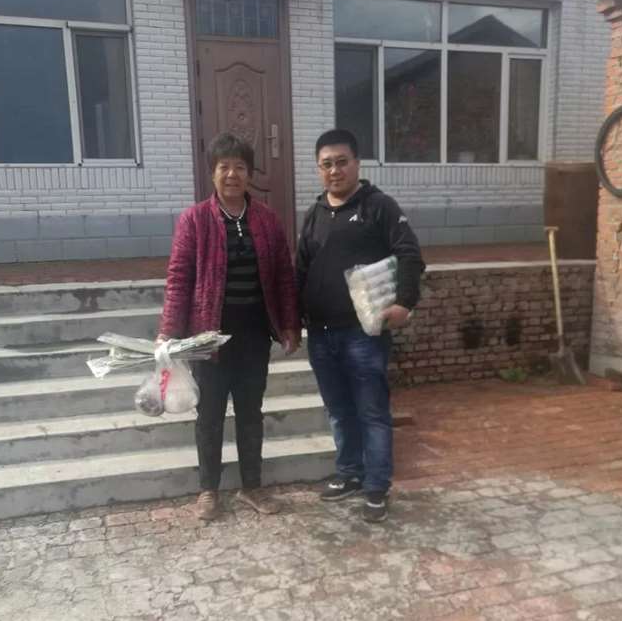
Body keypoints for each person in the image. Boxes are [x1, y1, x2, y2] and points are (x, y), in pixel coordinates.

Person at [157, 132, 301, 521]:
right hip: (207, 339)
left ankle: (252, 487)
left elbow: (284, 277)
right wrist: (168, 332)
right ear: (213, 173)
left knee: (251, 414)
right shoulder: (194, 220)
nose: (232, 174)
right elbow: (179, 278)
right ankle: (208, 490)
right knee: (209, 416)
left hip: (253, 337)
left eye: (240, 167)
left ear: (250, 173)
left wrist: (290, 324)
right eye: (224, 167)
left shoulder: (267, 220)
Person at [296, 128, 425, 523]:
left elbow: (410, 254)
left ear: (356, 163)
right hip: (321, 334)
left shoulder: (379, 207)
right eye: (326, 164)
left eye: (341, 162)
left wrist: (404, 302)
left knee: (371, 412)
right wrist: (292, 319)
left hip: (363, 335)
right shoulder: (314, 215)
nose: (334, 170)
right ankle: (349, 474)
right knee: (338, 411)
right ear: (318, 169)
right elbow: (300, 270)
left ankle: (376, 487)